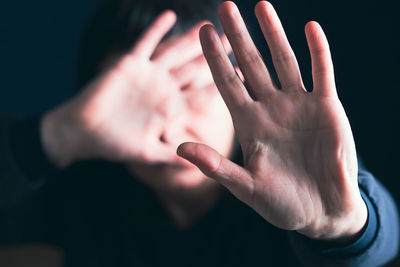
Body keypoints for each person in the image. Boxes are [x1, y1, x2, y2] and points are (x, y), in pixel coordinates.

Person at [0, 0, 398, 266]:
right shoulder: (82, 194)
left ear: (238, 87)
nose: (168, 126)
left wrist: (342, 227)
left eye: (188, 88)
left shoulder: (295, 176)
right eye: (135, 104)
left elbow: (381, 239)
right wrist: (61, 133)